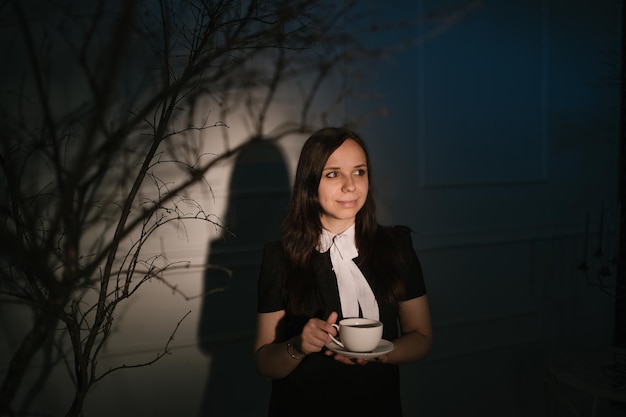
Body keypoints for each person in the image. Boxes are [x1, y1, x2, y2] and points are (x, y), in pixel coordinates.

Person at [254, 127, 432, 417]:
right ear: (310, 184)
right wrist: (299, 345)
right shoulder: (281, 257)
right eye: (333, 174)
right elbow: (264, 363)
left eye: (359, 172)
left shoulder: (396, 246)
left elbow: (421, 338)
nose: (351, 186)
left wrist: (380, 352)